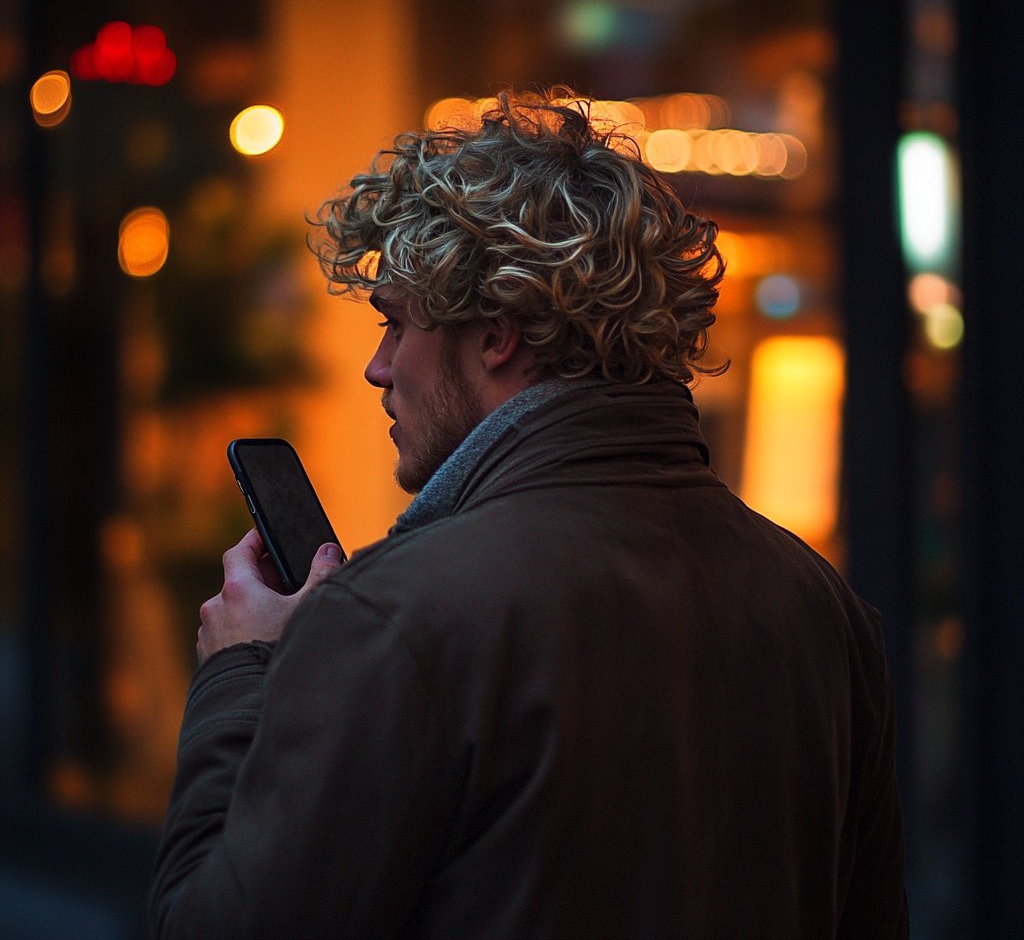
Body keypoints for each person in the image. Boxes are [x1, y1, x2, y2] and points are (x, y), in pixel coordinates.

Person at [150, 89, 908, 938]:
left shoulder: (398, 616)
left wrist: (242, 674)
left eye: (397, 324)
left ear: (498, 334)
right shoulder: (820, 606)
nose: (377, 366)